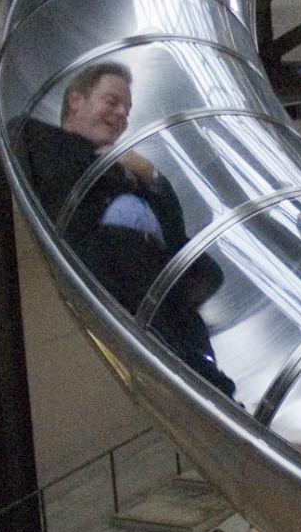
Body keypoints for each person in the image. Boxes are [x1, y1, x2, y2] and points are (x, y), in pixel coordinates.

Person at [21, 61, 234, 396]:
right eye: (112, 101)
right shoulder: (43, 140)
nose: (122, 114)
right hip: (118, 270)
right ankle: (196, 375)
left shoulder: (124, 167)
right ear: (76, 100)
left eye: (127, 108)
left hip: (155, 275)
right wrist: (114, 165)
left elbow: (173, 229)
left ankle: (209, 379)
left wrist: (149, 174)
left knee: (198, 277)